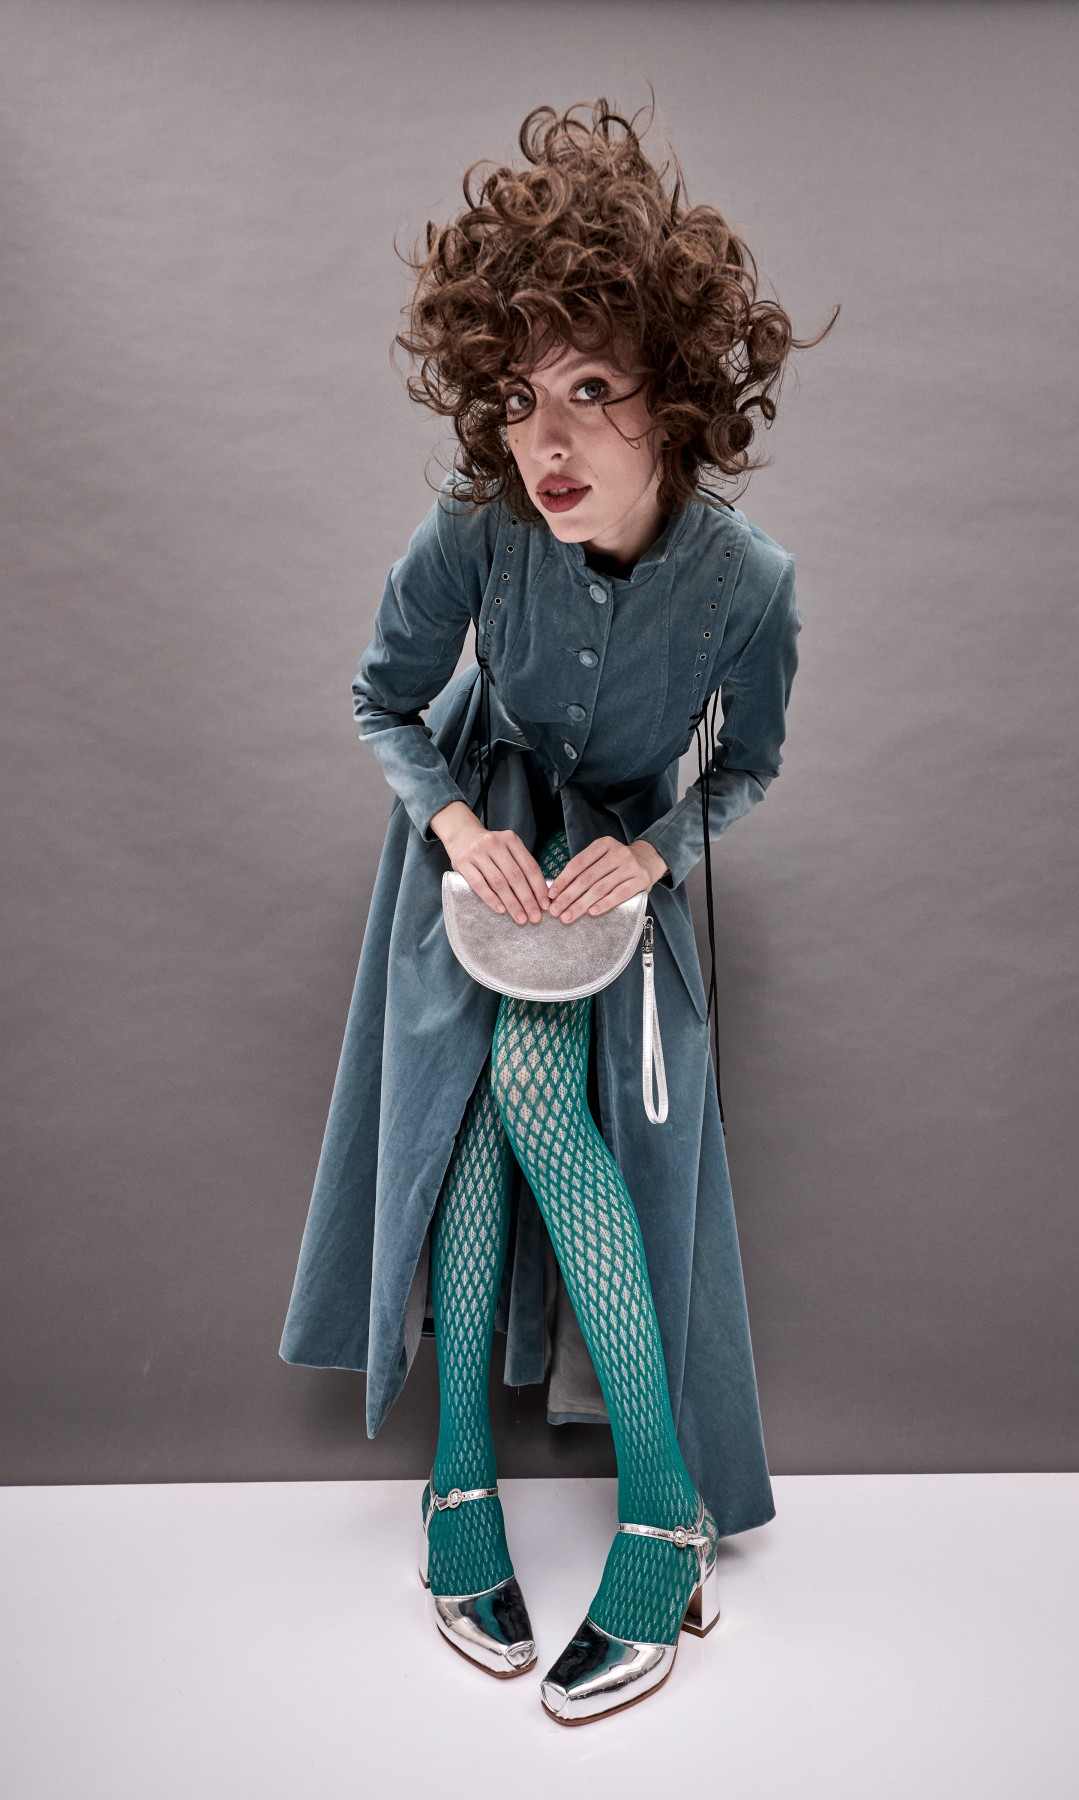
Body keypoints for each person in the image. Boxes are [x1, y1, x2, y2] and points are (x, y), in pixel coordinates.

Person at [278, 95, 837, 1725]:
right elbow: (384, 701)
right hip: (478, 850)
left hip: (613, 873)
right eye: (520, 400)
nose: (548, 444)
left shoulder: (751, 586)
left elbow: (748, 769)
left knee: (523, 1093)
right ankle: (524, 1489)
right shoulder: (475, 528)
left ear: (677, 394)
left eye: (591, 391)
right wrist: (457, 830)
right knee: (472, 1116)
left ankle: (599, 1494)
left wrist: (655, 853)